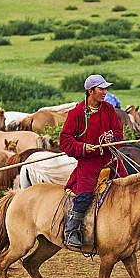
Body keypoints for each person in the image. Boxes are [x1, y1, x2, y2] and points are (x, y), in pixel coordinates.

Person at [59, 74, 127, 248]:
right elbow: (65, 140)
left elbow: (119, 133)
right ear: (90, 91)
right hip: (89, 163)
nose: (105, 92)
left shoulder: (109, 109)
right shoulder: (76, 113)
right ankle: (71, 232)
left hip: (110, 159)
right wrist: (83, 148)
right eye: (101, 89)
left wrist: (113, 137)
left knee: (127, 186)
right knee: (85, 196)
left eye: (105, 89)